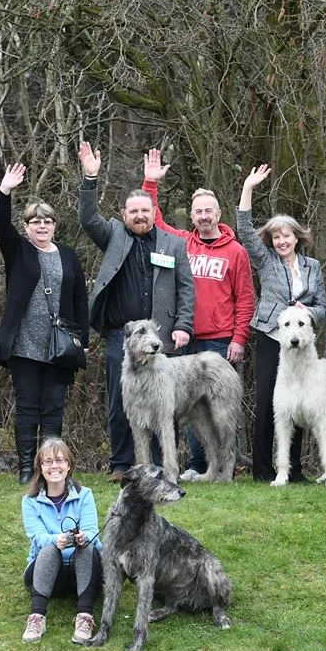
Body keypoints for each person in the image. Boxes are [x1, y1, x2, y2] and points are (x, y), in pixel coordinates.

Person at [76, 142, 195, 481]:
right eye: (133, 212)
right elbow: (87, 218)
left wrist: (183, 324)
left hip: (159, 340)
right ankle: (120, 464)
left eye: (145, 210)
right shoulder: (114, 235)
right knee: (120, 402)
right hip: (121, 336)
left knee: (162, 405)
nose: (140, 216)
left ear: (153, 213)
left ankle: (157, 466)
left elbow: (186, 288)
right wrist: (90, 178)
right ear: (125, 215)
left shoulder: (173, 244)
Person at [142, 149, 256, 476]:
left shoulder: (236, 253)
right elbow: (156, 221)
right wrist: (151, 183)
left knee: (218, 410)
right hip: (182, 338)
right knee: (190, 408)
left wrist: (239, 338)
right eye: (198, 212)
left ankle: (224, 466)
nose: (204, 216)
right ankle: (198, 465)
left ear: (219, 213)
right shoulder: (181, 243)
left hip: (219, 341)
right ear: (191, 216)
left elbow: (246, 299)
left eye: (209, 210)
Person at [0, 163, 89, 482]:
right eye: (35, 221)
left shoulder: (68, 254)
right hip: (24, 344)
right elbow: (2, 226)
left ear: (55, 226)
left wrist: (82, 339)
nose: (42, 226)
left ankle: (51, 468)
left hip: (60, 346)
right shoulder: (18, 250)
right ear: (27, 226)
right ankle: (25, 469)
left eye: (47, 221)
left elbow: (80, 299)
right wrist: (5, 191)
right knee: (27, 408)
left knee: (53, 410)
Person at [235, 165, 326, 482]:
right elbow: (245, 230)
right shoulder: (266, 260)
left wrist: (309, 313)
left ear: (296, 237)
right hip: (270, 336)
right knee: (268, 401)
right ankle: (263, 469)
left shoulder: (312, 266)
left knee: (301, 403)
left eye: (286, 235)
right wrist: (248, 187)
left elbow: (323, 306)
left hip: (302, 340)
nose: (281, 241)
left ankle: (294, 470)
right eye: (275, 237)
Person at [21, 436, 102, 645]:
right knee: (48, 549)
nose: (54, 466)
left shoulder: (85, 495)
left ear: (69, 465)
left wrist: (83, 537)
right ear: (40, 467)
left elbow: (93, 531)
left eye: (59, 460)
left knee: (88, 547)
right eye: (47, 461)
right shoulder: (29, 502)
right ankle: (37, 617)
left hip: (82, 572)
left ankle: (85, 616)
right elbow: (37, 537)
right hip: (47, 573)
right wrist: (56, 540)